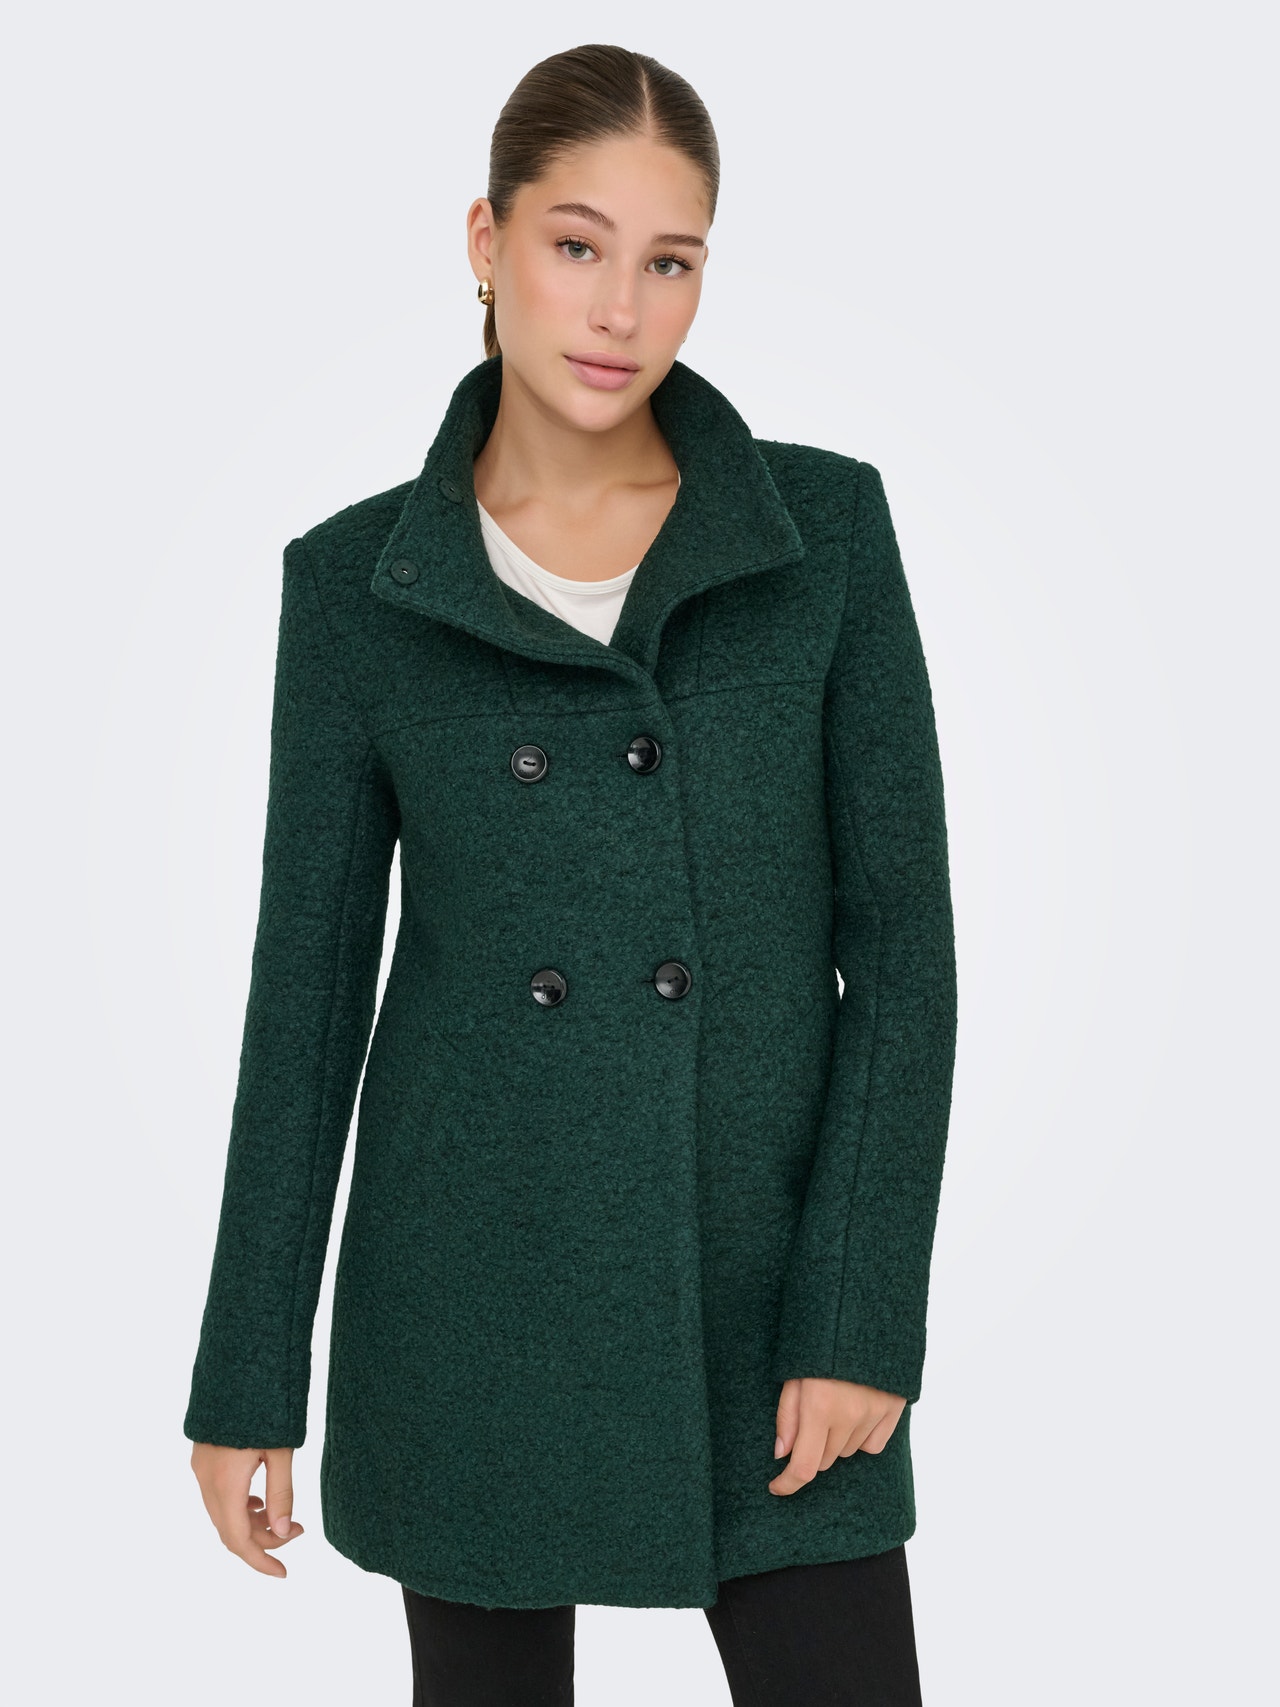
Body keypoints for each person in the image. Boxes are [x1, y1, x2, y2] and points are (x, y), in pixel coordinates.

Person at [185, 42, 957, 1707]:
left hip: (766, 1286)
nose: (620, 308)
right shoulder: (360, 586)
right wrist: (247, 1370)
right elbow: (304, 997)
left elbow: (902, 954)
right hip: (473, 1290)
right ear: (488, 241)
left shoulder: (821, 537)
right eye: (577, 244)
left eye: (669, 261)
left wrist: (858, 1312)